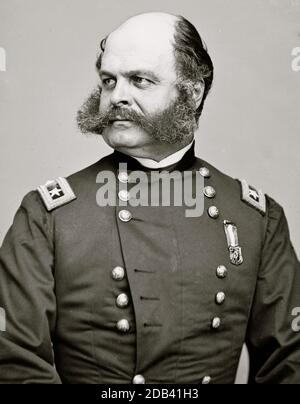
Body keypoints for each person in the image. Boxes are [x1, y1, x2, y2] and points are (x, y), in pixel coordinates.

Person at [0, 12, 299, 384]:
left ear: (191, 92)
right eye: (109, 81)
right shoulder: (48, 216)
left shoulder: (256, 219)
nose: (116, 97)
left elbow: (291, 362)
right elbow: (14, 359)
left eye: (139, 80)